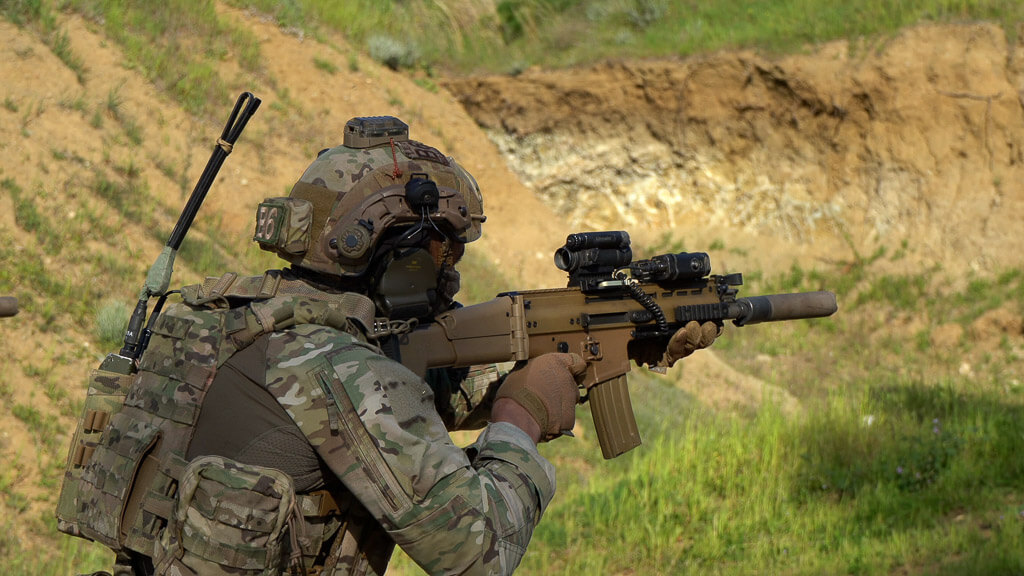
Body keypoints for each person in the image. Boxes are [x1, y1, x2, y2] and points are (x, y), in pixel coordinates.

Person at [58, 116, 718, 576]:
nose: (450, 264)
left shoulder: (226, 319)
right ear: (391, 254)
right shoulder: (337, 368)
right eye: (443, 246)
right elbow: (478, 554)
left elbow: (415, 388)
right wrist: (520, 418)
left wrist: (614, 347)